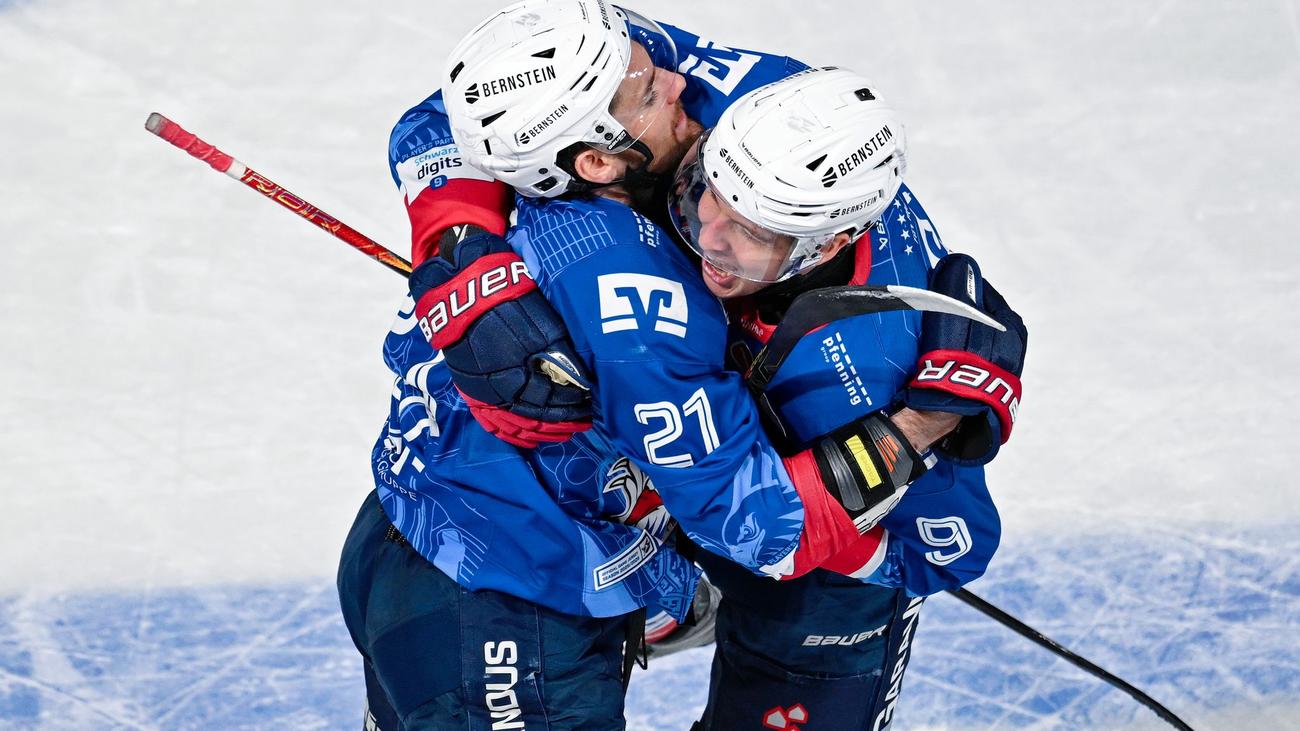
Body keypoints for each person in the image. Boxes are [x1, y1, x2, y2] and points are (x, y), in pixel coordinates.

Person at [338, 2, 1025, 729]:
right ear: (596, 156)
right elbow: (474, 102)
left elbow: (938, 542)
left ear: (828, 240)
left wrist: (931, 415)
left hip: (424, 525)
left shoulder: (863, 348)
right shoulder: (648, 287)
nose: (676, 82)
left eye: (752, 230)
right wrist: (456, 253)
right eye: (704, 198)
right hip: (508, 591)